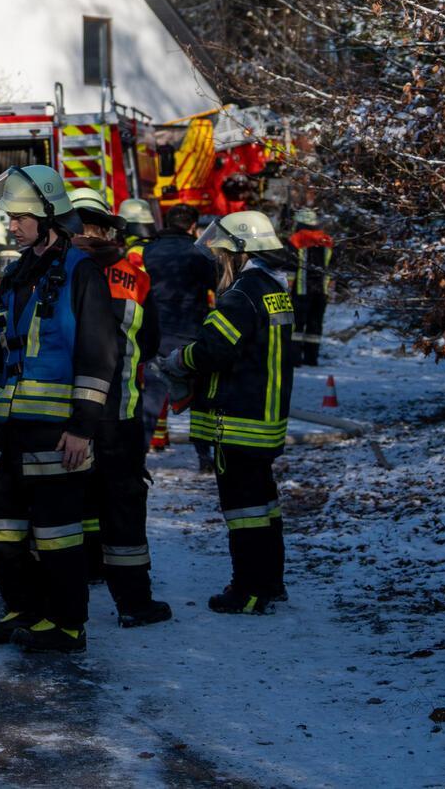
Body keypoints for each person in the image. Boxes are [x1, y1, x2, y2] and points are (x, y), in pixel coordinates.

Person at [0, 165, 123, 655]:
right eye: (11, 218)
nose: (10, 226)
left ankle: (66, 624)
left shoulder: (82, 272)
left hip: (58, 431)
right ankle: (25, 609)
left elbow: (100, 354)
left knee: (58, 533)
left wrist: (83, 427)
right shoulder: (17, 272)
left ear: (49, 217)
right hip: (10, 427)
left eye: (19, 218)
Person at [172, 210, 297, 614]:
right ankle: (270, 583)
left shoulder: (241, 295)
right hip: (264, 419)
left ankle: (248, 591)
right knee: (264, 505)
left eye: (222, 252)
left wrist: (178, 360)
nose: (218, 260)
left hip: (237, 420)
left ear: (241, 252)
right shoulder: (273, 289)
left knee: (243, 511)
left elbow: (213, 350)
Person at [66, 190, 173, 628]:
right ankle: (133, 602)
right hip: (119, 416)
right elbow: (149, 345)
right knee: (123, 508)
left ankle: (82, 579)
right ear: (112, 230)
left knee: (75, 501)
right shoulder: (135, 277)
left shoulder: (57, 273)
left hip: (67, 415)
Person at [141, 204, 222, 471]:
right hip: (191, 332)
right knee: (200, 396)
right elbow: (216, 285)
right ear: (192, 226)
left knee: (153, 393)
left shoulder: (149, 250)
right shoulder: (199, 252)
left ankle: (138, 455)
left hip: (157, 332)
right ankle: (204, 456)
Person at [288, 208, 335, 366]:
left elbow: (289, 266)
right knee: (315, 325)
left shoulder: (296, 239)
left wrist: (287, 289)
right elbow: (332, 266)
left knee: (297, 326)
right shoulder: (327, 240)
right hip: (321, 291)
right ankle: (311, 358)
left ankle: (294, 359)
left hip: (301, 289)